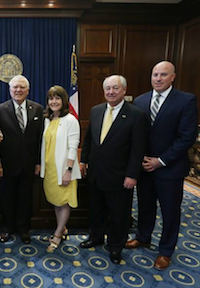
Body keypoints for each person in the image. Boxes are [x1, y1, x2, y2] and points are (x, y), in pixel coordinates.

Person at [125, 61, 198, 270]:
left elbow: (186, 137)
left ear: (173, 77)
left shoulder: (186, 100)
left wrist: (161, 160)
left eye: (163, 75)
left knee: (170, 211)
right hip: (145, 166)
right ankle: (143, 237)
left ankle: (166, 251)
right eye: (155, 74)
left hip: (170, 168)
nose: (158, 78)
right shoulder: (140, 101)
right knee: (145, 206)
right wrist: (140, 159)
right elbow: (137, 135)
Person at [79, 75, 148, 264]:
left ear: (124, 90)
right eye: (107, 88)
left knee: (119, 214)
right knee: (96, 209)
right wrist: (83, 161)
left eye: (115, 88)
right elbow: (88, 142)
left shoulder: (136, 115)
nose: (111, 92)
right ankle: (96, 237)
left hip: (120, 176)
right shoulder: (96, 111)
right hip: (95, 173)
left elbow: (137, 149)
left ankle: (116, 246)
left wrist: (132, 175)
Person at [0, 75, 43, 244]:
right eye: (15, 87)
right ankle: (7, 228)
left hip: (29, 164)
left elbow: (39, 138)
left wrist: (38, 162)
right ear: (9, 90)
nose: (18, 90)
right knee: (7, 197)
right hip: (7, 164)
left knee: (25, 197)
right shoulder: (0, 110)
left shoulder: (37, 109)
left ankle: (23, 228)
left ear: (28, 90)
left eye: (22, 87)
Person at [40, 85, 81, 252]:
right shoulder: (48, 119)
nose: (53, 101)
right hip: (50, 169)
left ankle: (57, 234)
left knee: (64, 202)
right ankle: (62, 228)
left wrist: (68, 171)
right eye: (51, 98)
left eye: (57, 98)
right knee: (56, 201)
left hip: (64, 169)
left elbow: (73, 147)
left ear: (63, 101)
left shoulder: (70, 120)